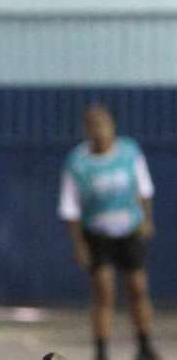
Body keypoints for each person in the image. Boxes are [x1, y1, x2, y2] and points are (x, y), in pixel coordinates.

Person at [59, 105, 160, 360]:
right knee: (104, 291)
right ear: (86, 129)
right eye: (93, 124)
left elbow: (144, 189)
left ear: (113, 126)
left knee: (137, 286)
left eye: (103, 123)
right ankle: (102, 351)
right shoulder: (78, 162)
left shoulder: (129, 152)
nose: (99, 129)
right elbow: (70, 208)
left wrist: (147, 219)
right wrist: (79, 244)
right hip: (98, 233)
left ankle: (145, 345)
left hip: (129, 229)